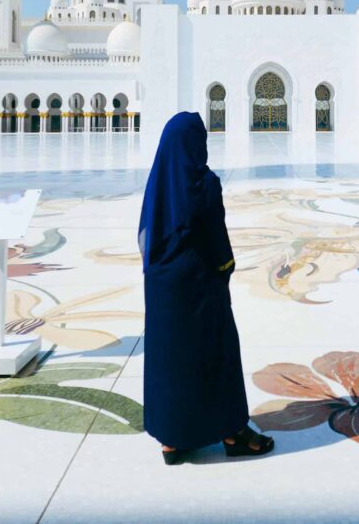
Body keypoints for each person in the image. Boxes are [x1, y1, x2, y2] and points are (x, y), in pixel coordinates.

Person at [139, 111, 274, 464]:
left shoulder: (158, 186)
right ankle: (233, 433)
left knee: (170, 359)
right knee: (217, 353)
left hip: (161, 286)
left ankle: (173, 440)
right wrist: (224, 271)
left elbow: (147, 237)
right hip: (199, 285)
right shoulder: (202, 184)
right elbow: (217, 242)